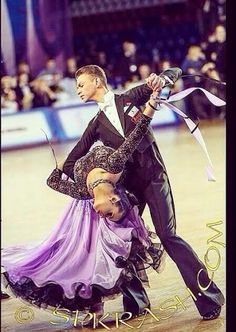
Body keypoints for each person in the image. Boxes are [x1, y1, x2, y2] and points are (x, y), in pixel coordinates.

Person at [61, 65, 225, 321]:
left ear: (96, 81)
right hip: (127, 190)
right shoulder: (95, 124)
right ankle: (136, 302)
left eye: (81, 84)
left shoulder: (130, 97)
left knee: (168, 236)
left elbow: (175, 71)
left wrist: (161, 78)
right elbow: (71, 163)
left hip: (154, 179)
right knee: (122, 244)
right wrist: (95, 180)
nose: (78, 90)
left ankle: (209, 297)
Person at [1, 88, 165, 321]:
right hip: (96, 190)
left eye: (107, 216)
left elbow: (52, 181)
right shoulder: (114, 163)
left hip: (82, 214)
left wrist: (59, 168)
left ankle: (101, 307)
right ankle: (111, 305)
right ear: (113, 198)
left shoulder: (81, 193)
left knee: (94, 259)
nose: (103, 215)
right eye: (109, 213)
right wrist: (151, 106)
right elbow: (136, 134)